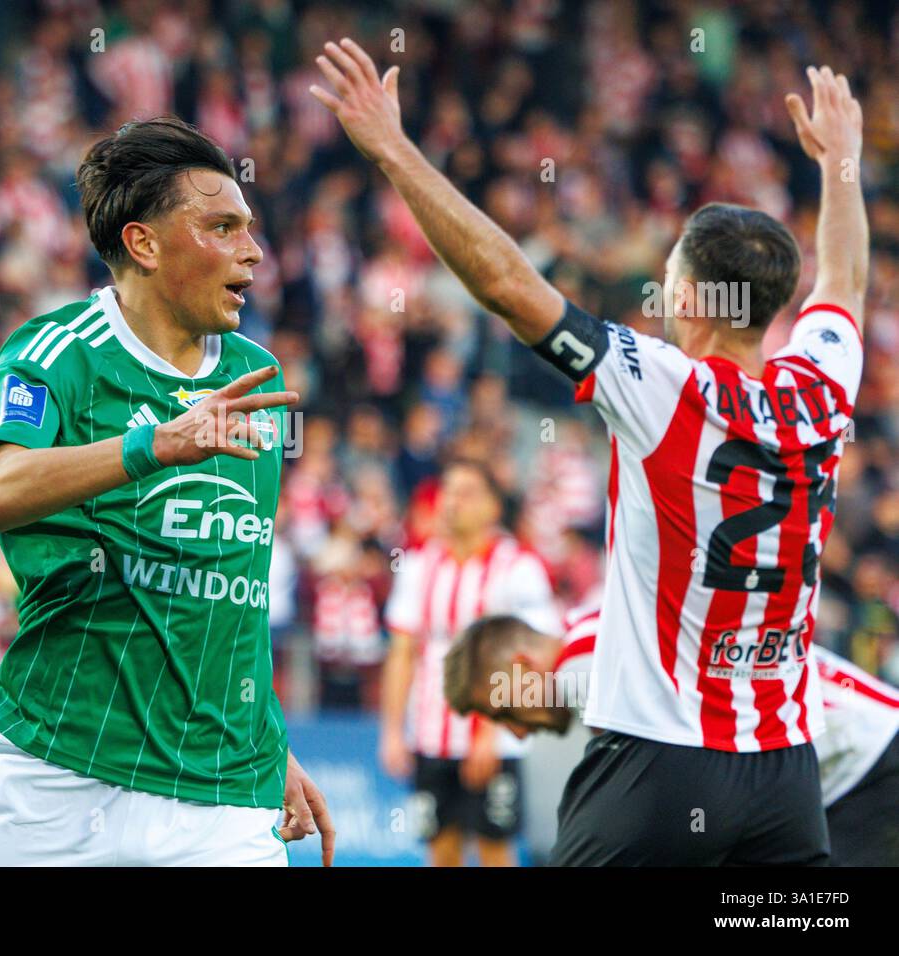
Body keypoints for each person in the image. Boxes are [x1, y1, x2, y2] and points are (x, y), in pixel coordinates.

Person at [313, 39, 867, 864]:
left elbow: (506, 285)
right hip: (784, 771)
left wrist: (394, 151)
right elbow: (845, 283)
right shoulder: (823, 385)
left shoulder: (660, 385)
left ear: (686, 296)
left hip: (660, 760)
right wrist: (843, 165)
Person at [0, 117, 333, 866]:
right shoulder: (62, 353)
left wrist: (267, 740)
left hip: (219, 787)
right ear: (144, 244)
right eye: (222, 226)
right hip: (60, 767)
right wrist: (156, 445)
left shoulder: (255, 377)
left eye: (249, 228)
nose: (253, 250)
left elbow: (230, 591)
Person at [444, 610, 899, 866]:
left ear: (522, 668)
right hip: (855, 750)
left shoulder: (586, 674)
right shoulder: (595, 626)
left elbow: (662, 805)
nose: (519, 731)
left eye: (504, 712)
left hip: (866, 765)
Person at [380, 458, 557, 866]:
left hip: (497, 741)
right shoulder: (418, 565)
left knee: (495, 848)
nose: (452, 502)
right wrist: (391, 731)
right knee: (439, 847)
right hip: (430, 736)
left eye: (466, 492)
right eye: (448, 491)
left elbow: (534, 658)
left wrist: (490, 731)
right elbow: (402, 652)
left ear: (493, 507)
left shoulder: (519, 567)